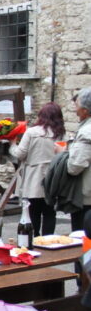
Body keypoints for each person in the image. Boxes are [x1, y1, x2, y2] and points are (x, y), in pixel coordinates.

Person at [10, 102, 66, 235]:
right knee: (49, 213)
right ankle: (48, 241)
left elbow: (20, 154)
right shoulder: (61, 133)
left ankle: (33, 241)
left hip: (33, 177)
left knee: (33, 212)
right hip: (53, 177)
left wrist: (12, 145)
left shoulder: (32, 132)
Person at [67, 88, 91, 229]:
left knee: (83, 242)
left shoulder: (87, 132)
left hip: (87, 199)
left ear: (85, 111)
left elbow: (74, 167)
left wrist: (64, 154)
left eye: (77, 106)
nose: (75, 111)